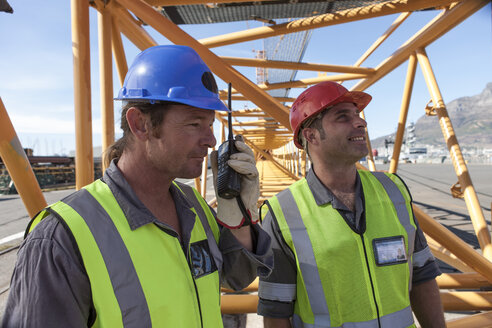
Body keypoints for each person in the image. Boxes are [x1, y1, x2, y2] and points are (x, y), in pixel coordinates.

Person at [2, 45, 272, 327]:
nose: (211, 140)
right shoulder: (60, 238)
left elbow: (237, 276)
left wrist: (238, 215)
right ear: (140, 124)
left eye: (210, 125)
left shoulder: (192, 204)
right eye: (194, 124)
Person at [257, 81, 445, 328]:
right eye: (343, 117)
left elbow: (422, 274)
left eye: (357, 114)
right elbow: (276, 310)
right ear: (311, 135)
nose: (361, 122)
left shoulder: (393, 190)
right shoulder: (282, 212)